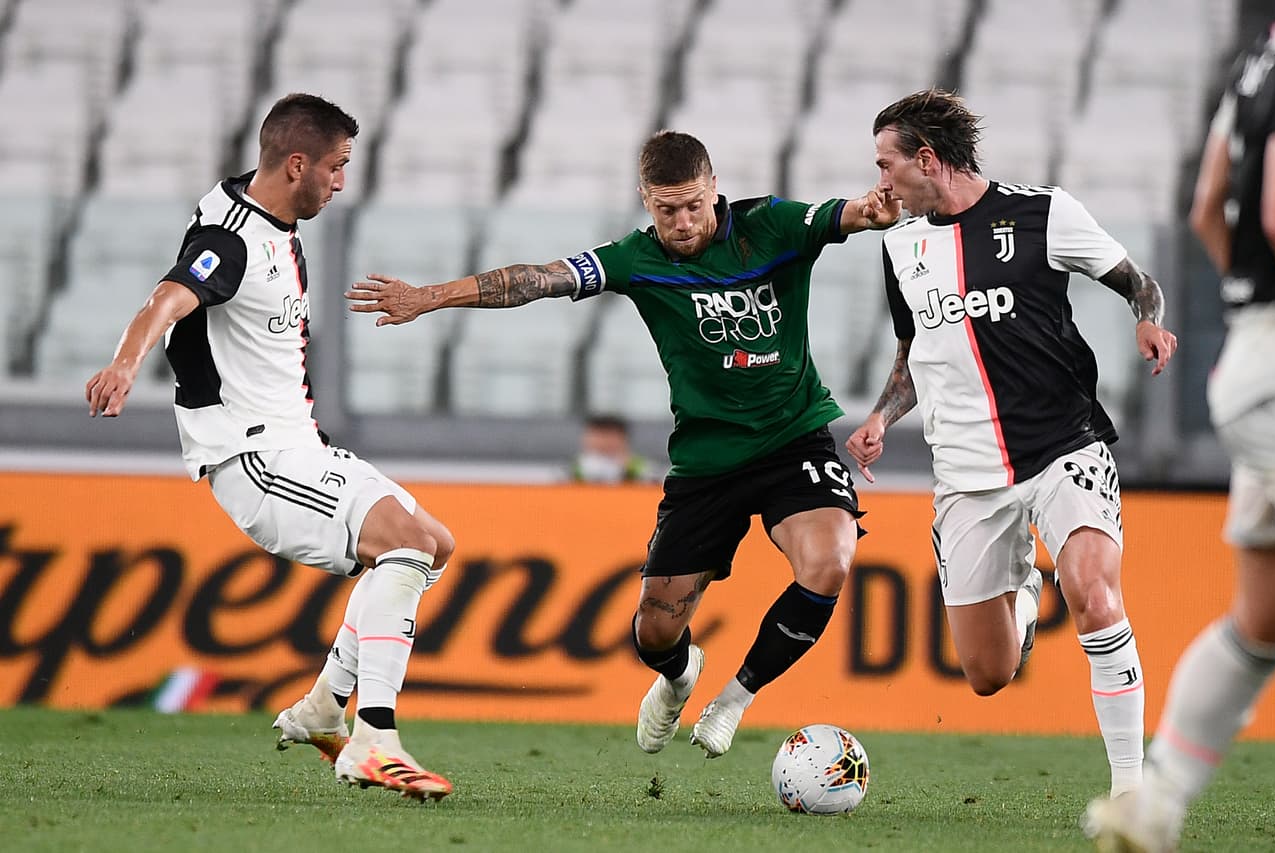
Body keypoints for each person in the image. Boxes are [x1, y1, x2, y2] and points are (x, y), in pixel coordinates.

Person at [347, 130, 900, 757]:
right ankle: (679, 675)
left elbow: (846, 213)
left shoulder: (769, 225)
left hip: (792, 438)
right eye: (668, 210)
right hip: (706, 462)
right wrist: (430, 296)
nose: (684, 222)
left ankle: (732, 701)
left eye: (694, 204)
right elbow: (538, 279)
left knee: (829, 563)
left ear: (715, 188)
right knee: (655, 633)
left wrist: (867, 212)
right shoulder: (636, 259)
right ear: (645, 200)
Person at [84, 93, 454, 802]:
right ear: (296, 163)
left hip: (297, 443)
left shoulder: (268, 222)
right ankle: (374, 738)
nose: (342, 182)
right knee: (403, 544)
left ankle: (321, 707)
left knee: (436, 543)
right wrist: (127, 360)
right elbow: (166, 298)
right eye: (337, 167)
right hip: (254, 457)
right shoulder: (231, 240)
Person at [846, 89, 1178, 798]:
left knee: (1092, 591)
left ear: (927, 160)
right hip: (967, 472)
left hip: (1064, 444)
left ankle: (1130, 792)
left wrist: (1147, 320)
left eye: (884, 164)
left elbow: (1137, 281)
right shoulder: (900, 245)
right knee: (987, 673)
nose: (878, 181)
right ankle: (1025, 597)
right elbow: (916, 353)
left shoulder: (1044, 213)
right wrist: (881, 415)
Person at [1083, 21, 1275, 852]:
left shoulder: (1257, 62)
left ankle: (1154, 801)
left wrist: (1250, 306)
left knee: (1263, 618)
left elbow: (1210, 210)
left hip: (1255, 357)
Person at [569, 413, 660, 484]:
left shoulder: (643, 471)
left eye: (608, 435)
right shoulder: (571, 471)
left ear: (624, 440)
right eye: (598, 435)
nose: (603, 442)